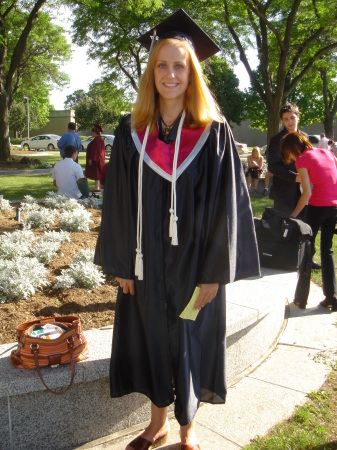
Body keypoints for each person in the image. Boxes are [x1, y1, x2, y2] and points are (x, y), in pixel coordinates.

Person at [94, 9, 260, 450]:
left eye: (179, 66)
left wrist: (213, 272)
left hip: (194, 264)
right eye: (162, 65)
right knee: (151, 338)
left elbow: (228, 208)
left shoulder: (215, 132)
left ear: (193, 73)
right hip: (145, 260)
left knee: (189, 338)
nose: (170, 74)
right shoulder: (132, 132)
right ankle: (157, 423)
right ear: (152, 72)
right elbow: (118, 204)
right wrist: (120, 264)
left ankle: (188, 427)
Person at [281, 132, 337, 311]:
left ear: (292, 148)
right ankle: (332, 297)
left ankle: (300, 299)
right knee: (327, 251)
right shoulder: (328, 152)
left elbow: (307, 193)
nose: (289, 157)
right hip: (334, 206)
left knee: (307, 251)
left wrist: (292, 216)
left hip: (317, 207)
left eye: (288, 153)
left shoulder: (303, 160)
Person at [267, 102, 307, 220]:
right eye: (286, 119)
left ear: (298, 117)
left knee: (302, 229)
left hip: (304, 192)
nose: (290, 122)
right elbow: (273, 166)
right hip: (283, 194)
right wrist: (294, 177)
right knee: (283, 230)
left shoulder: (305, 137)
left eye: (292, 118)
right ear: (282, 121)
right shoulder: (276, 140)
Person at [85, 124, 105, 191]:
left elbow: (96, 150)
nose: (92, 133)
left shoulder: (97, 140)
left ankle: (97, 187)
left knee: (96, 173)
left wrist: (92, 158)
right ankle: (97, 187)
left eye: (93, 132)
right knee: (97, 173)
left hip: (96, 160)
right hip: (98, 159)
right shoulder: (99, 139)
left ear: (95, 132)